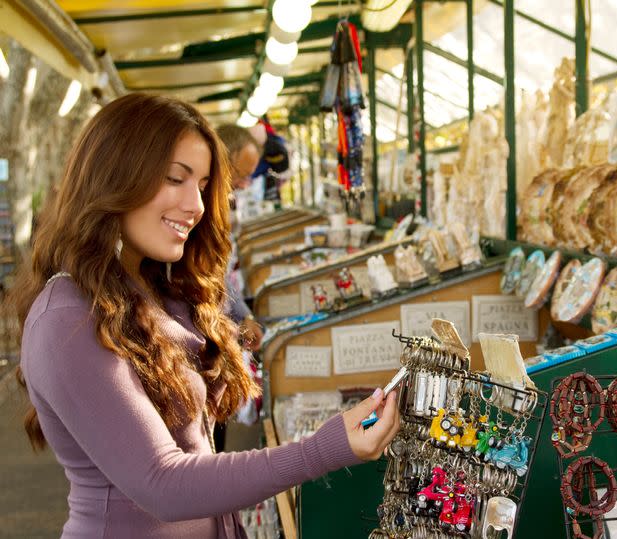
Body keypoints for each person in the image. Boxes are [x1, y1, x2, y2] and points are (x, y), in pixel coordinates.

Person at [12, 93, 400, 538]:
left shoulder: (158, 287)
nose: (196, 205)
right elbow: (163, 483)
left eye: (202, 185)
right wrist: (324, 448)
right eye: (176, 179)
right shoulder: (67, 316)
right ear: (114, 177)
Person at [213, 123, 264, 451]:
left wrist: (242, 315)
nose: (245, 184)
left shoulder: (219, 206)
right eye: (241, 174)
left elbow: (216, 275)